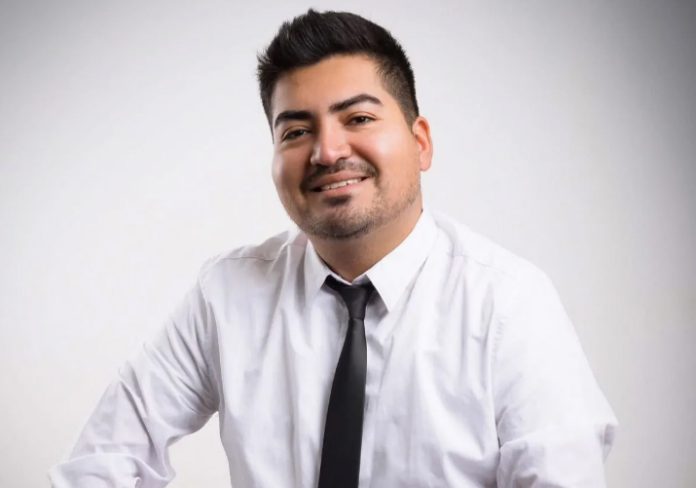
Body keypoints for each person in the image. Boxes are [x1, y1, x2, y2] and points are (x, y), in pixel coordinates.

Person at [50, 9, 617, 488]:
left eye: (359, 118)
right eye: (296, 131)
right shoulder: (226, 293)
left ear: (420, 142)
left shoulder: (508, 302)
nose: (327, 151)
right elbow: (102, 461)